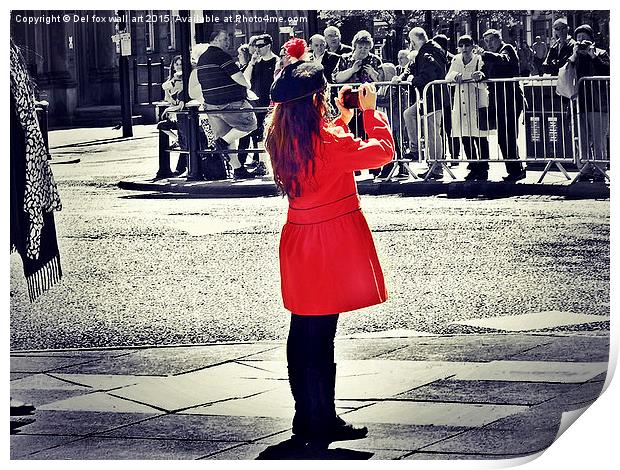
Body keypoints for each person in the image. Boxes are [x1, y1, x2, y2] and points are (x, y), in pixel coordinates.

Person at [265, 38, 394, 449]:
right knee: (323, 333)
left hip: (299, 237)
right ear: (315, 99)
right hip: (330, 239)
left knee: (303, 327)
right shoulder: (330, 142)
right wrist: (370, 114)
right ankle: (322, 420)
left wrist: (341, 115)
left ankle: (308, 415)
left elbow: (323, 141)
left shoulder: (279, 137)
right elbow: (382, 153)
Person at [192, 30, 258, 179]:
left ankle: (238, 170)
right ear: (215, 40)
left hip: (211, 106)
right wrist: (247, 85)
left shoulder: (202, 59)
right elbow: (238, 77)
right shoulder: (222, 56)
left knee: (228, 137)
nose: (228, 42)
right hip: (231, 103)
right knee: (250, 123)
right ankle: (221, 143)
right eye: (225, 39)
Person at [395, 27, 449, 179]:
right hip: (429, 97)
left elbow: (427, 77)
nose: (410, 45)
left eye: (411, 42)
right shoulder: (427, 50)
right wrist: (403, 77)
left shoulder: (428, 53)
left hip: (433, 96)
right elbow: (411, 68)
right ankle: (415, 149)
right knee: (409, 114)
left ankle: (436, 166)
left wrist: (412, 80)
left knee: (433, 132)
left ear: (414, 41)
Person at [480, 28, 526, 182]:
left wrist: (485, 55)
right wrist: (480, 74)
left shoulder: (507, 49)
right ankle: (513, 169)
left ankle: (516, 170)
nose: (489, 44)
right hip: (497, 101)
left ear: (499, 39)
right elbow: (485, 70)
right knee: (502, 137)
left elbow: (503, 60)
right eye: (486, 42)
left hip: (511, 99)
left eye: (492, 40)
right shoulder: (489, 57)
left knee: (510, 135)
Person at [567, 24, 610, 183]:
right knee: (581, 139)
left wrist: (594, 56)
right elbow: (562, 72)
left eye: (585, 39)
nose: (582, 43)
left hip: (599, 102)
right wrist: (572, 57)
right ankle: (585, 170)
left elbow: (608, 71)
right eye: (578, 40)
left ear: (591, 40)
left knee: (599, 139)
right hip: (580, 103)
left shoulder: (601, 53)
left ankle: (600, 170)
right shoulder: (575, 56)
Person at [445, 35, 491, 181]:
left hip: (476, 101)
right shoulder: (456, 59)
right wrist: (455, 76)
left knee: (480, 137)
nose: (464, 49)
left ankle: (483, 168)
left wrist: (478, 76)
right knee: (465, 136)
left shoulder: (479, 59)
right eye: (461, 45)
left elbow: (484, 81)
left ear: (473, 46)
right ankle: (473, 165)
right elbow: (448, 76)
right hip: (461, 101)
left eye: (467, 45)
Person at [243, 33, 278, 177]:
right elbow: (245, 78)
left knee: (271, 134)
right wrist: (251, 62)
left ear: (268, 46)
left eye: (260, 46)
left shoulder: (276, 60)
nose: (257, 49)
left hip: (270, 103)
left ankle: (272, 163)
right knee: (258, 134)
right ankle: (262, 164)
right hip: (256, 103)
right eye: (255, 46)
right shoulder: (255, 62)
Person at [157, 55, 188, 176]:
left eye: (181, 64)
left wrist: (170, 109)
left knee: (186, 143)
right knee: (162, 126)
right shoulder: (171, 81)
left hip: (185, 115)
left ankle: (181, 169)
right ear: (173, 67)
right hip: (177, 116)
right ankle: (176, 140)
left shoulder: (185, 80)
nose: (179, 66)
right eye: (177, 64)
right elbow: (167, 97)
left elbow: (181, 102)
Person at [433, 33, 461, 164]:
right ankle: (453, 156)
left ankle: (451, 155)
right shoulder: (451, 57)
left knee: (448, 127)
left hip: (447, 97)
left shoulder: (450, 59)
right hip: (447, 97)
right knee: (449, 128)